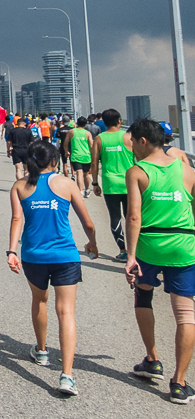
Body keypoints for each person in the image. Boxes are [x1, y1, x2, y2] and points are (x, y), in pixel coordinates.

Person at [8, 140, 97, 397]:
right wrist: (92, 242)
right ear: (55, 161)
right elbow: (87, 222)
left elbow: (16, 219)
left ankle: (42, 350)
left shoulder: (20, 186)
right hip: (66, 256)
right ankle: (67, 376)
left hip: (33, 256)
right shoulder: (67, 184)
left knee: (39, 300)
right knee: (66, 312)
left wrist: (12, 251)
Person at [124, 119, 195, 404]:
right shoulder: (187, 170)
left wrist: (130, 257)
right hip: (183, 248)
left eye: (132, 143)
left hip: (149, 248)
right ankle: (179, 382)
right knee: (186, 315)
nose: (131, 148)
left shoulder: (137, 172)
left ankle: (152, 360)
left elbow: (133, 216)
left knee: (143, 297)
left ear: (143, 141)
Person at [92, 108, 134, 262]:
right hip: (130, 184)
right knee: (132, 217)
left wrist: (95, 182)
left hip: (110, 184)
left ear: (103, 121)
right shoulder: (129, 137)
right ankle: (135, 250)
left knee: (115, 217)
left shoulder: (100, 139)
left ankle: (123, 250)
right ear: (119, 121)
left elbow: (94, 162)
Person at [66, 117, 95, 197]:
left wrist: (66, 151)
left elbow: (65, 142)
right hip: (86, 156)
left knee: (79, 173)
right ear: (85, 125)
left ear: (77, 123)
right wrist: (93, 156)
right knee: (85, 174)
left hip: (75, 155)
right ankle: (87, 189)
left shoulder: (71, 132)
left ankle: (80, 191)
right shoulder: (87, 133)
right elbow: (91, 145)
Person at [7, 116, 33, 181]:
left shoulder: (13, 131)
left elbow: (9, 141)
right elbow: (32, 142)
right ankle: (25, 183)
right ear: (24, 124)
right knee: (26, 170)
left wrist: (8, 149)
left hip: (16, 150)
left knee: (18, 169)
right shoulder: (28, 131)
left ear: (17, 124)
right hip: (26, 150)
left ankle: (19, 183)